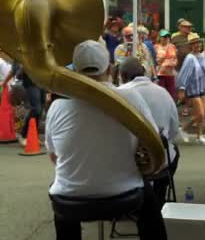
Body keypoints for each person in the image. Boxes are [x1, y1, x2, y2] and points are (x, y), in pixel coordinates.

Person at [45, 40, 167, 240]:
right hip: (124, 195)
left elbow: (54, 157)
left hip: (70, 199)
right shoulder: (131, 97)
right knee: (151, 206)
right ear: (111, 68)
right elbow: (153, 144)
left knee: (63, 212)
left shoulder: (57, 106)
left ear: (74, 71)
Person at [119, 57, 181, 206]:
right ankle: (159, 197)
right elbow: (173, 130)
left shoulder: (119, 94)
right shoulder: (162, 92)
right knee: (173, 153)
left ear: (122, 76)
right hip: (160, 161)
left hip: (127, 163)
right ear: (144, 72)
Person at [177, 33, 205, 145]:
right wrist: (182, 88)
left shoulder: (202, 56)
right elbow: (184, 74)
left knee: (201, 115)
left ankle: (199, 136)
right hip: (193, 88)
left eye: (198, 43)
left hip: (203, 86)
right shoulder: (189, 58)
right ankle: (183, 129)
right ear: (190, 46)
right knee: (200, 114)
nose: (197, 45)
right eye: (194, 43)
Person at [1, 61, 45, 146]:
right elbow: (15, 72)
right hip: (30, 83)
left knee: (40, 109)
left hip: (41, 82)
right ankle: (24, 135)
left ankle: (33, 135)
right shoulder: (22, 53)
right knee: (36, 108)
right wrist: (5, 82)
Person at [154, 30, 178, 100]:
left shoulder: (172, 46)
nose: (166, 38)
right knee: (161, 94)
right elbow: (153, 61)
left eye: (167, 36)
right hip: (160, 74)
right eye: (164, 36)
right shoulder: (156, 47)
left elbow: (175, 58)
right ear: (160, 37)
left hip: (170, 73)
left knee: (172, 94)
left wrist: (175, 62)